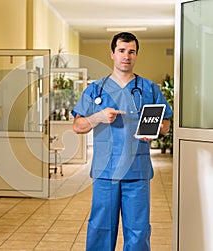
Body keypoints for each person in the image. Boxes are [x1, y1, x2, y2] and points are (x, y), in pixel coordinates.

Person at [71, 32, 173, 251]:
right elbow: (78, 126)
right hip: (105, 171)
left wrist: (157, 129)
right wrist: (98, 117)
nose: (126, 56)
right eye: (121, 51)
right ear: (112, 53)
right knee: (100, 228)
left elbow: (166, 124)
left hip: (137, 171)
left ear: (136, 55)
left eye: (131, 51)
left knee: (138, 230)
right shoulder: (95, 89)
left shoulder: (150, 89)